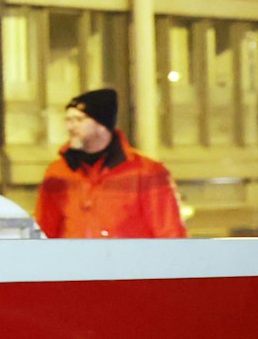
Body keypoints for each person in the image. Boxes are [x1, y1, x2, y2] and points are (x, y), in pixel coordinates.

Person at [33, 88, 186, 239]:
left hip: (127, 263)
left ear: (102, 124)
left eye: (78, 120)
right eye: (68, 120)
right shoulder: (57, 173)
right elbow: (44, 231)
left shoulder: (146, 172)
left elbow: (169, 233)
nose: (70, 127)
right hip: (76, 263)